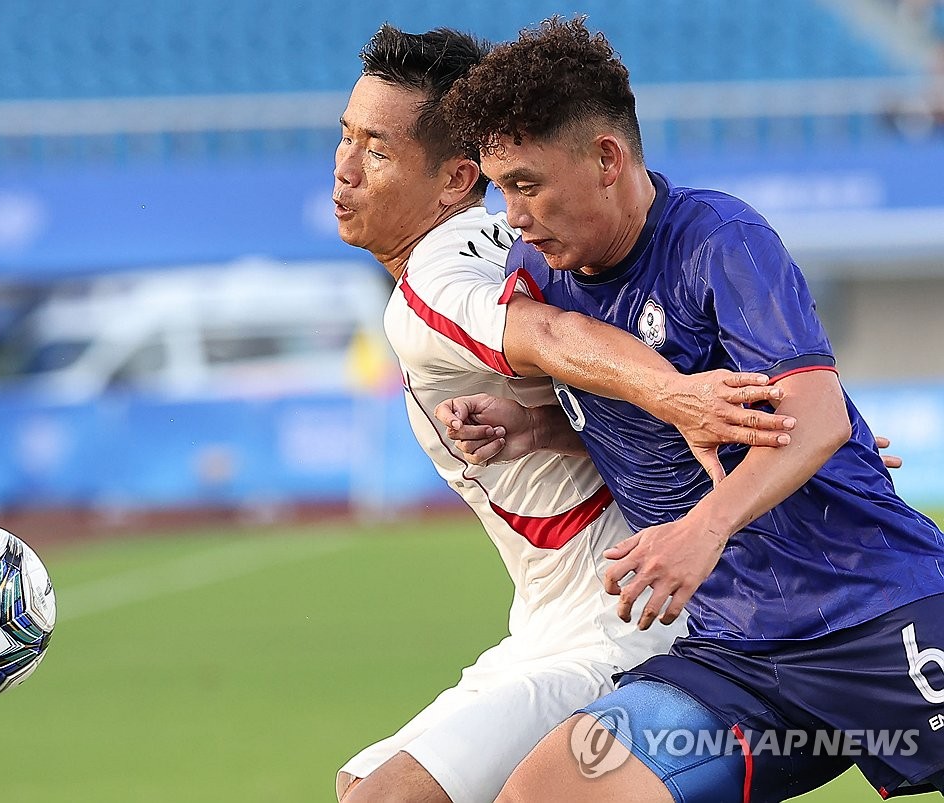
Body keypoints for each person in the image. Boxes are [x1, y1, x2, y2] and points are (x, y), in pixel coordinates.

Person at [438, 16, 944, 801]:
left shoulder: (721, 238)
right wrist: (536, 425)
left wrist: (702, 528)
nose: (512, 214)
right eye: (502, 188)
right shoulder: (537, 271)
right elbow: (632, 422)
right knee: (543, 793)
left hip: (878, 615)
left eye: (527, 184)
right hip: (736, 660)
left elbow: (818, 419)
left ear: (607, 158)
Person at [331, 25, 800, 803]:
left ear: (455, 179)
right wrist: (769, 421)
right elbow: (637, 331)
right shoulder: (522, 241)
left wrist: (681, 398)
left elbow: (551, 335)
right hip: (551, 616)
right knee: (361, 782)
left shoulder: (434, 284)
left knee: (391, 797)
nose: (344, 169)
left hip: (620, 616)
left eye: (377, 151)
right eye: (346, 139)